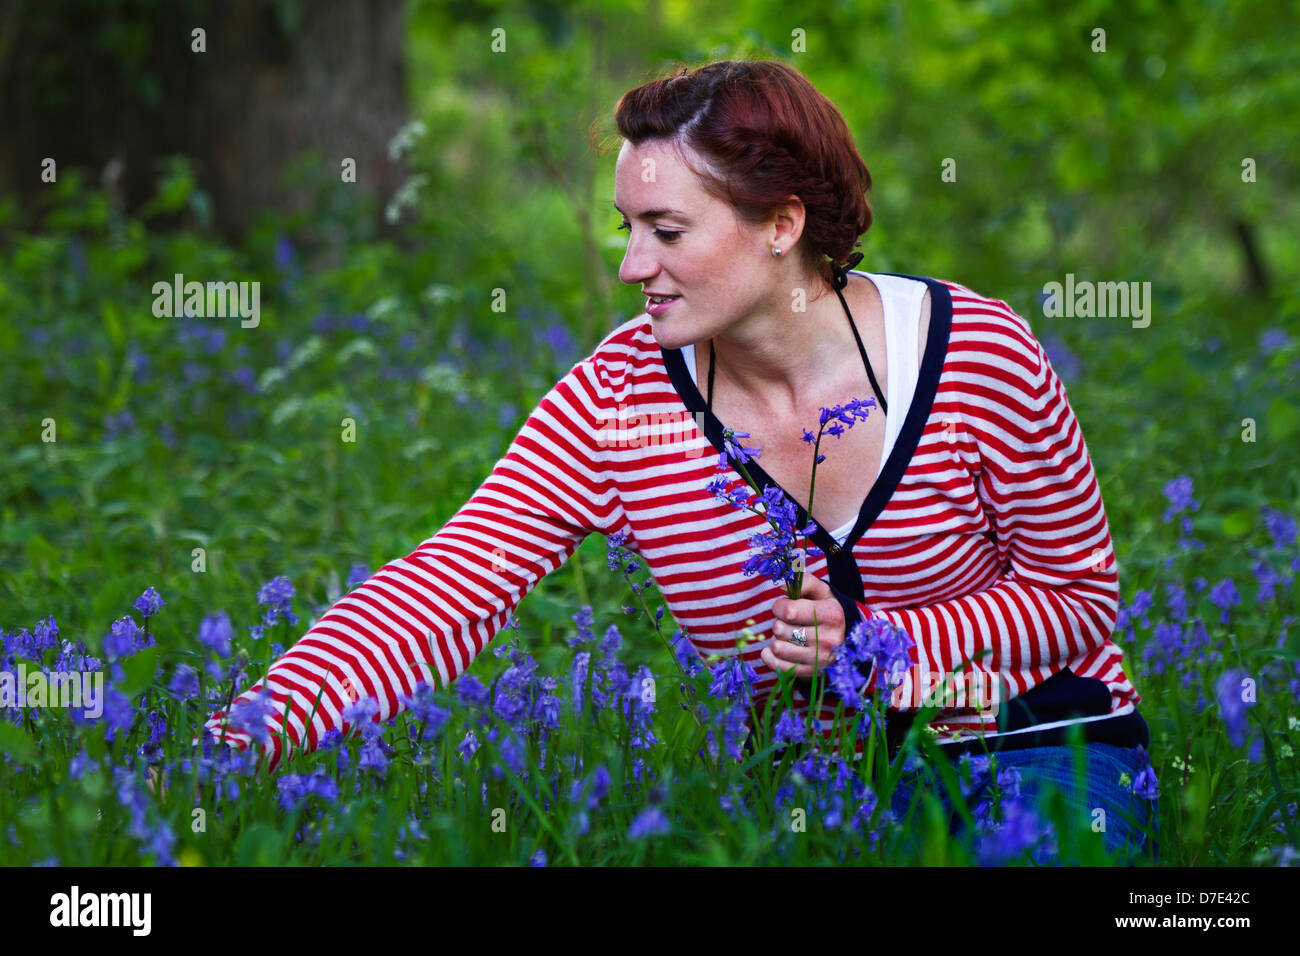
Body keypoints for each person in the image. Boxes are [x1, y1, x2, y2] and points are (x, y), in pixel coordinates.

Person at [201, 59, 1155, 861]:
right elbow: (445, 586)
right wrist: (243, 737)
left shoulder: (975, 356)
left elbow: (1079, 600)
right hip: (812, 787)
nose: (629, 265)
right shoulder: (618, 401)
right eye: (625, 228)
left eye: (665, 232)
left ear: (781, 225)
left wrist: (874, 644)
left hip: (1035, 742)